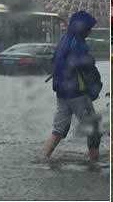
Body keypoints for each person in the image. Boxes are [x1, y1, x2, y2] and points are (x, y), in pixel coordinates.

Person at [41, 10, 102, 163]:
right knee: (94, 128)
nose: (90, 31)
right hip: (77, 93)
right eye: (89, 28)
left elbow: (55, 60)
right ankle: (94, 161)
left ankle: (43, 157)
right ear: (82, 28)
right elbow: (84, 63)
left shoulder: (64, 39)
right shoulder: (78, 42)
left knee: (59, 129)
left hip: (61, 93)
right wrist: (91, 58)